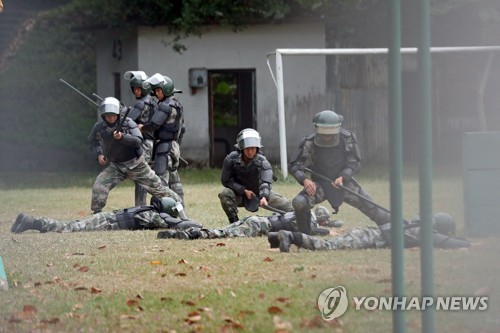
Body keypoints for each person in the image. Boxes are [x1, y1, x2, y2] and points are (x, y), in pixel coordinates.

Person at [289, 110, 392, 235]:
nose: (326, 138)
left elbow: (354, 162)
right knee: (300, 203)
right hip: (319, 184)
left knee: (371, 206)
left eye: (330, 134)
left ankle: (393, 229)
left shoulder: (347, 138)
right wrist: (304, 180)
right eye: (323, 134)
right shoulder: (309, 142)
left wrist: (343, 177)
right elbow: (295, 165)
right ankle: (304, 235)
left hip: (344, 183)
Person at [88, 97, 182, 214]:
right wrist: (99, 155)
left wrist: (122, 137)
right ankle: (96, 214)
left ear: (118, 114)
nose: (111, 118)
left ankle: (179, 208)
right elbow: (94, 141)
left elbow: (138, 140)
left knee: (159, 188)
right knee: (99, 186)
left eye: (113, 115)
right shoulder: (99, 127)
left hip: (137, 165)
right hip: (117, 166)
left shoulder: (128, 123)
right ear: (103, 116)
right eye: (108, 115)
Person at [269, 212, 471, 252]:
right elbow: (448, 243)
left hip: (368, 232)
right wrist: (467, 243)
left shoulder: (415, 223)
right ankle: (290, 237)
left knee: (328, 244)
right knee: (326, 246)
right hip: (368, 237)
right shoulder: (428, 233)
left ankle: (275, 239)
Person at [218, 128, 293, 223]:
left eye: (253, 148)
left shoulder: (262, 162)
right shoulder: (231, 160)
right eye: (247, 148)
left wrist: (264, 197)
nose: (250, 152)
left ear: (257, 148)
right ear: (241, 147)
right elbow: (225, 180)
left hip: (260, 193)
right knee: (225, 193)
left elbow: (265, 182)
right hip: (239, 194)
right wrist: (244, 190)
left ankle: (294, 221)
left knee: (290, 207)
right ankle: (234, 223)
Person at [11, 197, 201, 234]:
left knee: (72, 225)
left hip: (108, 217)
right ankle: (32, 222)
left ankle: (27, 223)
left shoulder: (147, 210)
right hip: (108, 222)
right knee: (68, 228)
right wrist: (190, 223)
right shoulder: (153, 216)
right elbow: (172, 223)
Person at [156, 205, 343, 240]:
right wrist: (328, 232)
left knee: (224, 229)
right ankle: (195, 234)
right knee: (225, 234)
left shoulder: (300, 212)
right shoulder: (308, 220)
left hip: (257, 220)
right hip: (261, 226)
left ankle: (187, 232)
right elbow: (311, 230)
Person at [140, 74, 185, 203]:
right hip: (174, 146)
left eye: (159, 90)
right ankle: (181, 208)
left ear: (166, 90)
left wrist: (142, 127)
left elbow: (154, 124)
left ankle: (164, 211)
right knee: (175, 181)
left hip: (164, 148)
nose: (156, 93)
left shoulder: (165, 105)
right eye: (156, 90)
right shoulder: (177, 104)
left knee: (161, 181)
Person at [124, 71, 157, 206]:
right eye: (134, 89)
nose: (136, 91)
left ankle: (140, 206)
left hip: (144, 144)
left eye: (138, 88)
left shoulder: (141, 104)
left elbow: (127, 120)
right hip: (152, 143)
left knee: (141, 176)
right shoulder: (152, 101)